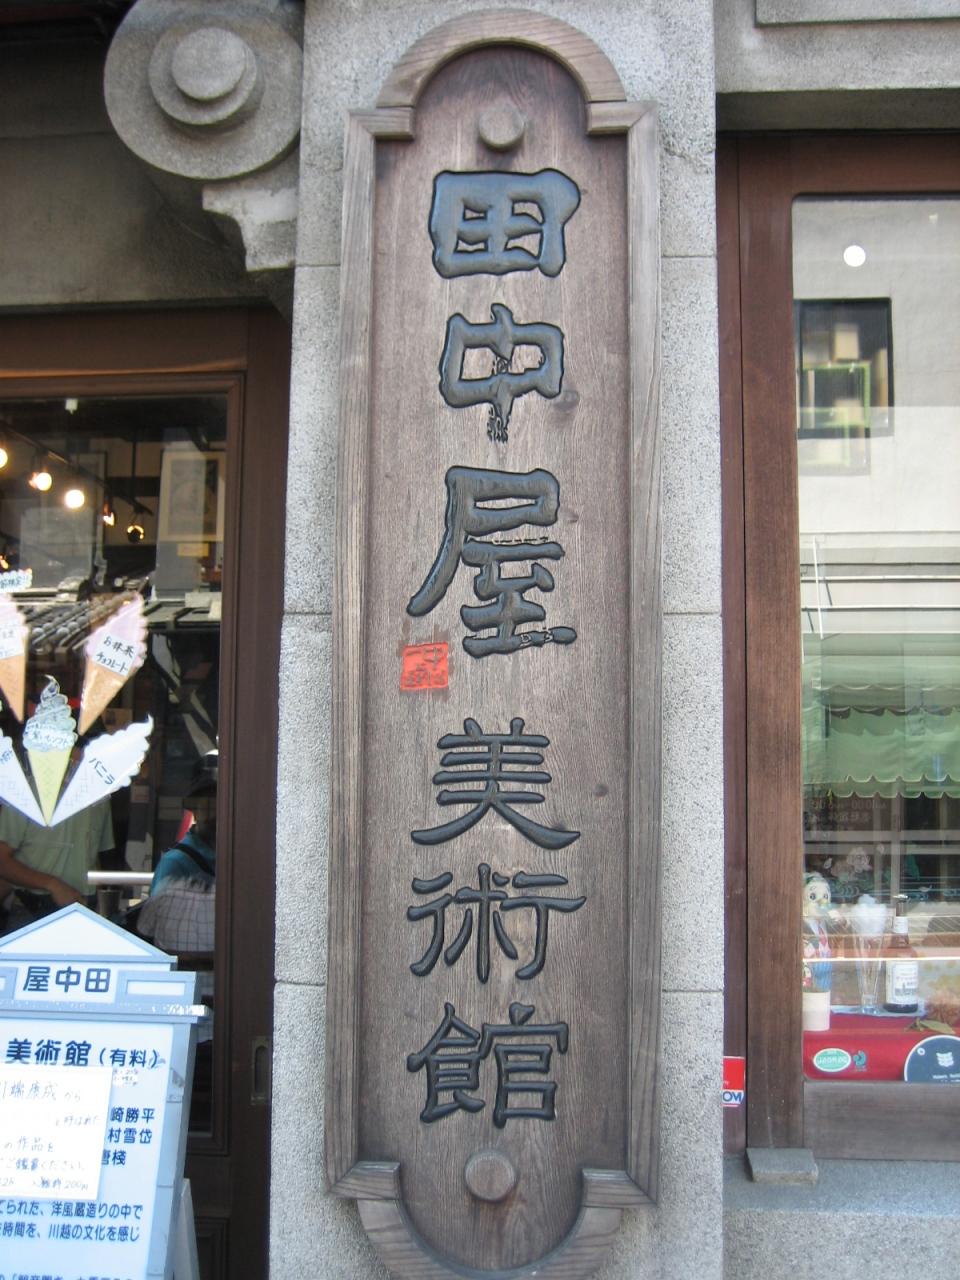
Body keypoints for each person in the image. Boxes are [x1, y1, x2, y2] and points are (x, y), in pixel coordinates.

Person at [0, 797, 115, 934]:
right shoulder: (24, 795)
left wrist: (100, 905)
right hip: (32, 909)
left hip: (83, 909)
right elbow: (2, 860)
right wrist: (53, 885)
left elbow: (95, 856)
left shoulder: (100, 796)